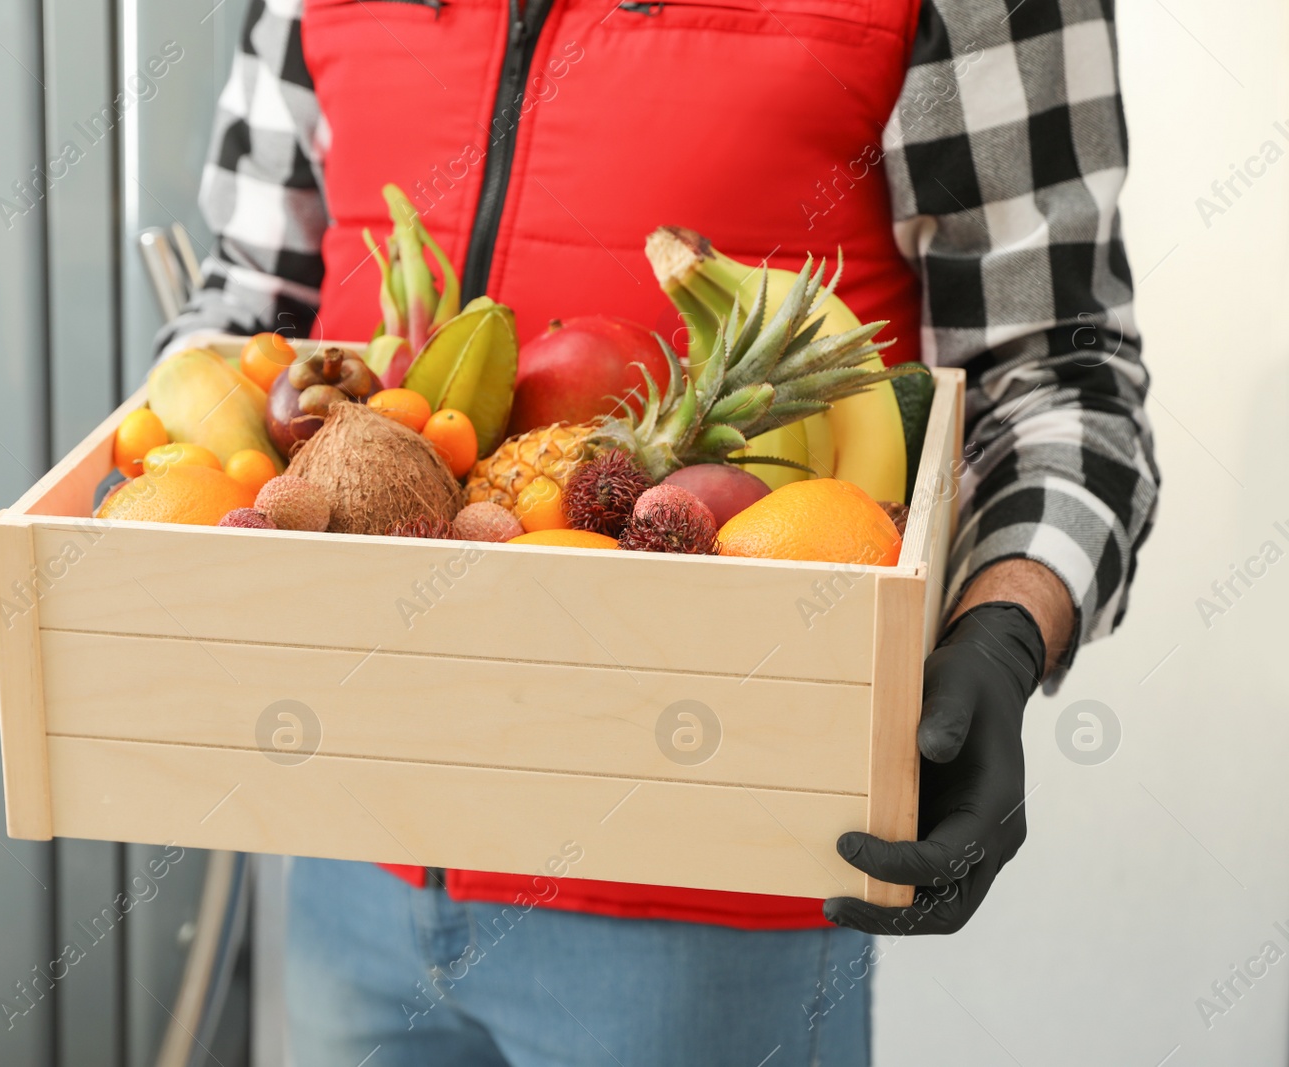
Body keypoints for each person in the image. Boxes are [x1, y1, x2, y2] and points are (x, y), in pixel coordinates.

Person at [159, 0, 1159, 1061]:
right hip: (346, 837)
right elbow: (252, 299)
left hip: (705, 892)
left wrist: (1005, 629)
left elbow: (1056, 371)